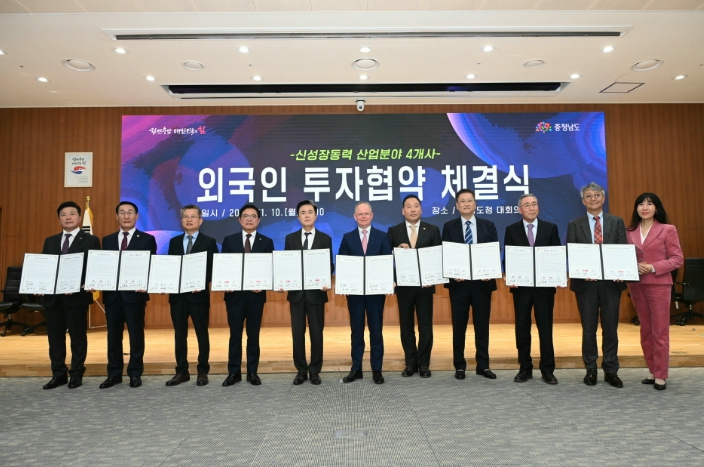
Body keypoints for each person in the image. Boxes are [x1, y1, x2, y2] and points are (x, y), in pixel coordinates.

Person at [567, 182, 627, 388]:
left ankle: (611, 370)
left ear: (603, 198)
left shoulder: (616, 222)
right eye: (588, 196)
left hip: (611, 283)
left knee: (611, 328)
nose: (593, 199)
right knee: (589, 328)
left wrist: (619, 272)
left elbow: (621, 249)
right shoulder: (575, 224)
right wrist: (582, 272)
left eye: (596, 195)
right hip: (586, 285)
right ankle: (590, 369)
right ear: (583, 201)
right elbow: (572, 252)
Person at [40, 201, 101, 390]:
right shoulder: (50, 241)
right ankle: (58, 374)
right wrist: (40, 284)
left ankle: (76, 374)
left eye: (72, 213)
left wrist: (86, 283)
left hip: (76, 298)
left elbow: (94, 267)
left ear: (79, 218)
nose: (68, 217)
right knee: (55, 339)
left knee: (77, 337)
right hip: (53, 298)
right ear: (59, 219)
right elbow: (45, 267)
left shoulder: (91, 240)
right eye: (63, 214)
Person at [626, 193, 683, 391]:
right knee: (646, 330)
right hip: (637, 285)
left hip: (659, 284)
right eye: (641, 204)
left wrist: (652, 267)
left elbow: (677, 259)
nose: (645, 207)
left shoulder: (668, 229)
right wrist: (633, 266)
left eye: (649, 204)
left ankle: (661, 374)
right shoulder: (629, 231)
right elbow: (623, 258)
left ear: (656, 208)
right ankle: (652, 369)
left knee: (660, 331)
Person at [503, 194, 561, 385]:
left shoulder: (550, 228)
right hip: (521, 288)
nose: (532, 208)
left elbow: (556, 254)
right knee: (522, 329)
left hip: (544, 288)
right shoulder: (511, 229)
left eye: (534, 204)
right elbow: (508, 256)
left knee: (545, 329)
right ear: (520, 209)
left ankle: (548, 370)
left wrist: (558, 275)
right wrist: (509, 275)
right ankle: (524, 368)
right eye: (527, 205)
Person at [441, 189, 499, 380]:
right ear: (457, 206)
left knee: (482, 326)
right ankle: (459, 365)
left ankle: (483, 365)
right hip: (460, 285)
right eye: (462, 201)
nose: (466, 204)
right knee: (459, 326)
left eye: (469, 201)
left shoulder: (488, 225)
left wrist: (489, 272)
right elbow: (447, 253)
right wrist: (453, 273)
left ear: (475, 204)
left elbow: (493, 252)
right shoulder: (449, 227)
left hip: (482, 284)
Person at [99, 201, 157, 389]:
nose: (126, 216)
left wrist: (146, 283)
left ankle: (135, 373)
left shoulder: (147, 239)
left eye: (130, 212)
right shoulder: (107, 240)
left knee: (136, 336)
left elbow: (151, 265)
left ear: (137, 216)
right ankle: (114, 374)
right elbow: (103, 267)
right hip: (112, 296)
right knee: (113, 337)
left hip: (135, 296)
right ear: (117, 216)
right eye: (122, 212)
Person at [338, 201, 392, 384]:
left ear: (372, 215)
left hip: (376, 293)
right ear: (354, 217)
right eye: (360, 214)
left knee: (376, 331)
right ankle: (356, 369)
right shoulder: (347, 238)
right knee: (357, 332)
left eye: (366, 213)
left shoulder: (382, 237)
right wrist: (343, 285)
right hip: (355, 294)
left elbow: (387, 262)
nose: (363, 216)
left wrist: (389, 281)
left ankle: (377, 370)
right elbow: (343, 263)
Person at [387, 194, 441, 378]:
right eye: (408, 206)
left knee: (425, 326)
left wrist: (433, 277)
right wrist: (397, 253)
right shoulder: (394, 231)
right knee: (406, 326)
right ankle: (410, 364)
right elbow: (387, 258)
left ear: (421, 209)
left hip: (425, 286)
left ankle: (424, 364)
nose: (412, 209)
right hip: (404, 287)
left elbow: (437, 257)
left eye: (416, 205)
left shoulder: (432, 230)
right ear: (403, 211)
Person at [221, 204, 274, 386]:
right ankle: (233, 373)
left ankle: (252, 372)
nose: (249, 219)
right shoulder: (229, 240)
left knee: (254, 336)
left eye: (253, 216)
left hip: (255, 297)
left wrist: (264, 284)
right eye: (245, 216)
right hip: (234, 296)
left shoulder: (266, 242)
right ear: (239, 220)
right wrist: (225, 283)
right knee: (235, 335)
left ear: (258, 220)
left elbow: (270, 268)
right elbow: (224, 266)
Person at [165, 204, 218, 387]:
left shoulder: (209, 242)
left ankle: (202, 371)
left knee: (202, 334)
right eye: (186, 216)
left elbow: (213, 268)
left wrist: (201, 282)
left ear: (200, 220)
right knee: (180, 336)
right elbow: (170, 267)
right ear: (181, 220)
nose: (189, 219)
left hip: (199, 297)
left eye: (193, 216)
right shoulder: (174, 242)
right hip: (177, 297)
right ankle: (181, 371)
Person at [282, 200, 333, 386]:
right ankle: (301, 371)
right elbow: (286, 264)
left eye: (310, 212)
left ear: (316, 215)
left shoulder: (325, 239)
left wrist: (326, 279)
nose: (306, 215)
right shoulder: (291, 238)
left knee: (317, 334)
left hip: (316, 294)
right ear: (298, 217)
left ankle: (315, 371)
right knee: (297, 334)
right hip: (296, 294)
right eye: (303, 212)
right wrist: (283, 280)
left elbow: (329, 265)